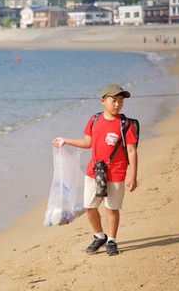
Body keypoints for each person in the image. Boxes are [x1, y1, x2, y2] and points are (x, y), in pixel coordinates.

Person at [52, 84, 138, 256]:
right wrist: (65, 140)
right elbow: (87, 143)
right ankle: (99, 236)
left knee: (111, 208)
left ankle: (112, 240)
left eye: (121, 101)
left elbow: (131, 150)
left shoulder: (125, 124)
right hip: (94, 171)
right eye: (114, 100)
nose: (117, 105)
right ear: (103, 101)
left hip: (117, 172)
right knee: (90, 206)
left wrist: (133, 176)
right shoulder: (94, 120)